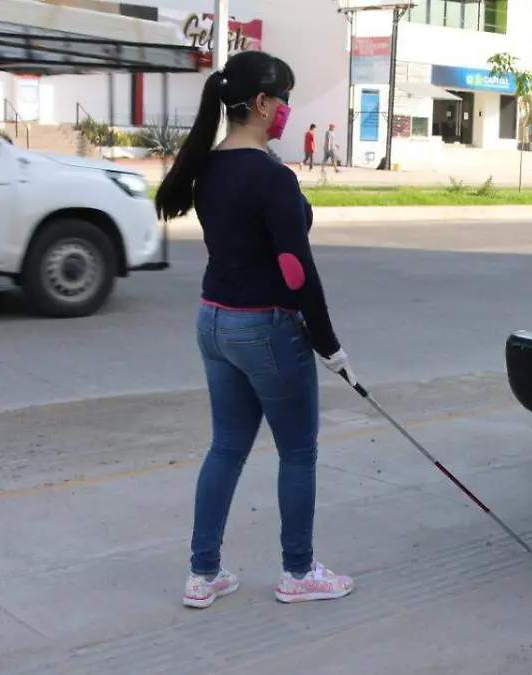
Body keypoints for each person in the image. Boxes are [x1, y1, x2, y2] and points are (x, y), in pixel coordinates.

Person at [154, 49, 359, 609]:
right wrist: (329, 345)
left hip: (214, 321)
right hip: (266, 329)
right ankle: (299, 572)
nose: (289, 109)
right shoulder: (271, 178)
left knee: (226, 447)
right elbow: (295, 270)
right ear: (264, 103)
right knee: (298, 453)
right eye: (285, 99)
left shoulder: (208, 168)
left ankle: (203, 574)